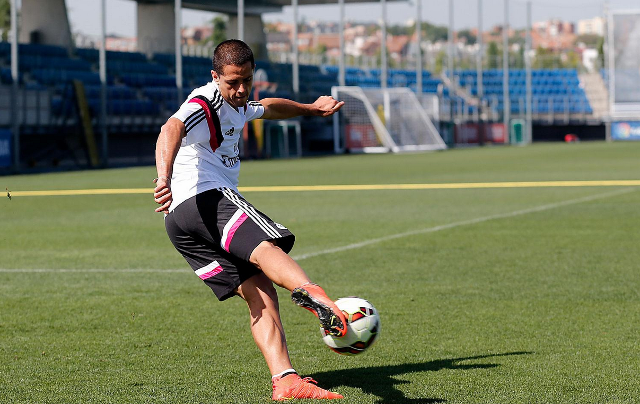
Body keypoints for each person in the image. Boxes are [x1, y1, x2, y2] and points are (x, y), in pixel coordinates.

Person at [153, 39, 346, 401]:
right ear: (215, 77)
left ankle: (285, 380)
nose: (241, 89)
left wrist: (309, 108)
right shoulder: (204, 101)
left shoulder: (239, 101)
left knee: (259, 290)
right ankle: (314, 293)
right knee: (263, 246)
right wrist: (163, 176)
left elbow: (267, 107)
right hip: (203, 199)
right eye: (232, 83)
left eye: (246, 80)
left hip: (180, 225)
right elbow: (170, 129)